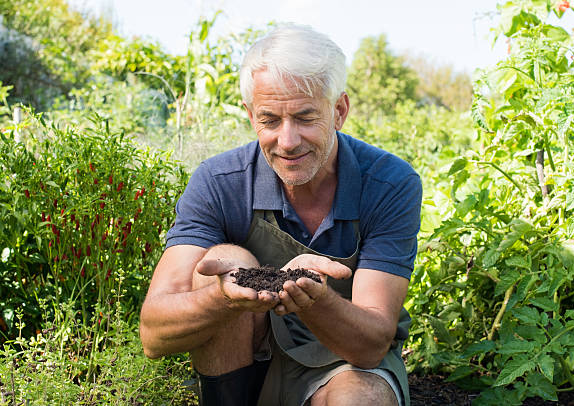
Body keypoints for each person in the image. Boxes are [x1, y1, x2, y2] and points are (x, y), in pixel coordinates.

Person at [139, 23, 422, 406]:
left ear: (339, 110)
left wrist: (314, 297)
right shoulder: (218, 181)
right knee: (230, 261)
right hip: (245, 360)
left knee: (362, 400)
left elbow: (371, 345)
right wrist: (226, 297)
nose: (287, 142)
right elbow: (154, 333)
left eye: (305, 118)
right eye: (269, 120)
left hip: (341, 364)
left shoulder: (389, 182)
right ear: (250, 114)